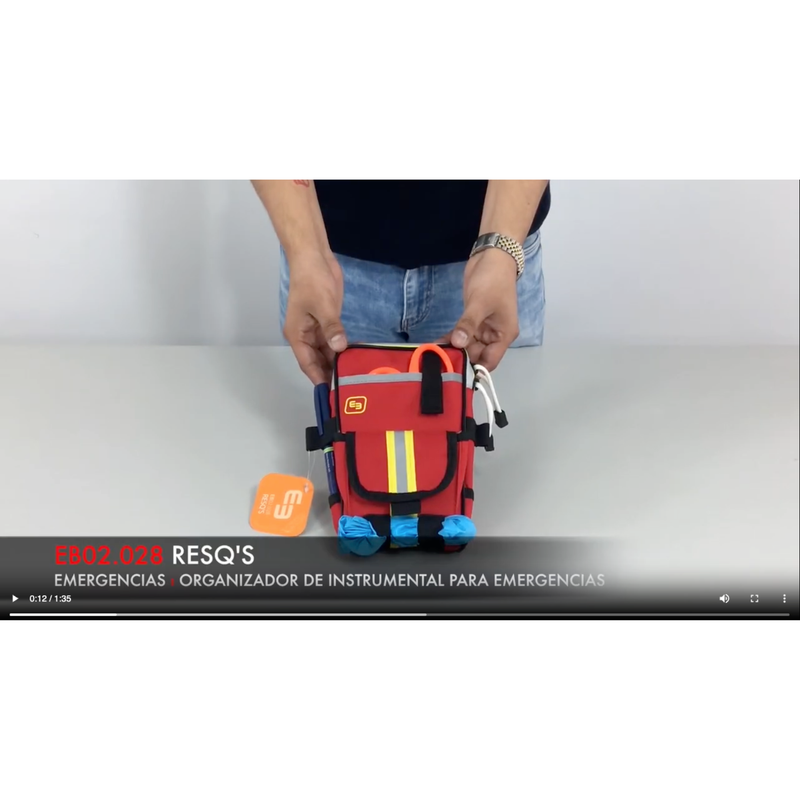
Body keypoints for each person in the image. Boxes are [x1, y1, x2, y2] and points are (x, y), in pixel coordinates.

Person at [252, 180, 550, 384]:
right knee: (340, 450)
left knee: (503, 446)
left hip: (496, 262)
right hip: (326, 268)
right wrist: (305, 252)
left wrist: (499, 255)